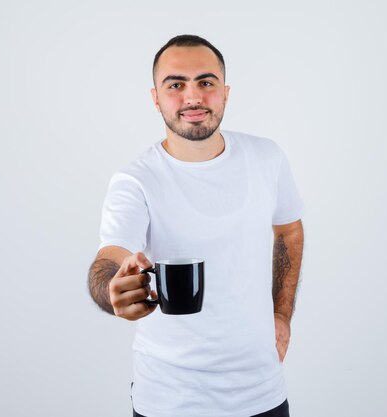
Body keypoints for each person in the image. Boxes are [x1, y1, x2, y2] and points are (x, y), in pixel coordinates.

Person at [88, 34, 305, 417]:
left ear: (225, 92)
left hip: (262, 392)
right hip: (169, 399)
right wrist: (114, 289)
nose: (193, 97)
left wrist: (281, 315)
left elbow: (288, 230)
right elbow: (110, 257)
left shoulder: (266, 157)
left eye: (206, 83)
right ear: (156, 97)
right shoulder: (135, 180)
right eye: (175, 85)